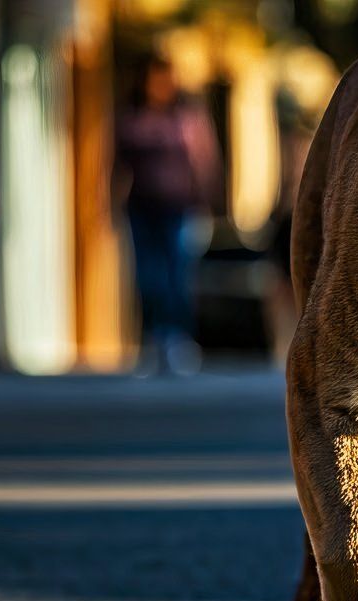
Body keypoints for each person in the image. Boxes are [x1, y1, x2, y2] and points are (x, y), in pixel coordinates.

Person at [114, 54, 222, 375]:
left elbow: (205, 162)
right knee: (148, 276)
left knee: (177, 274)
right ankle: (153, 338)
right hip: (142, 208)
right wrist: (107, 204)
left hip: (180, 208)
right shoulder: (131, 116)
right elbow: (116, 166)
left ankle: (179, 338)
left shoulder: (186, 116)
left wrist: (208, 205)